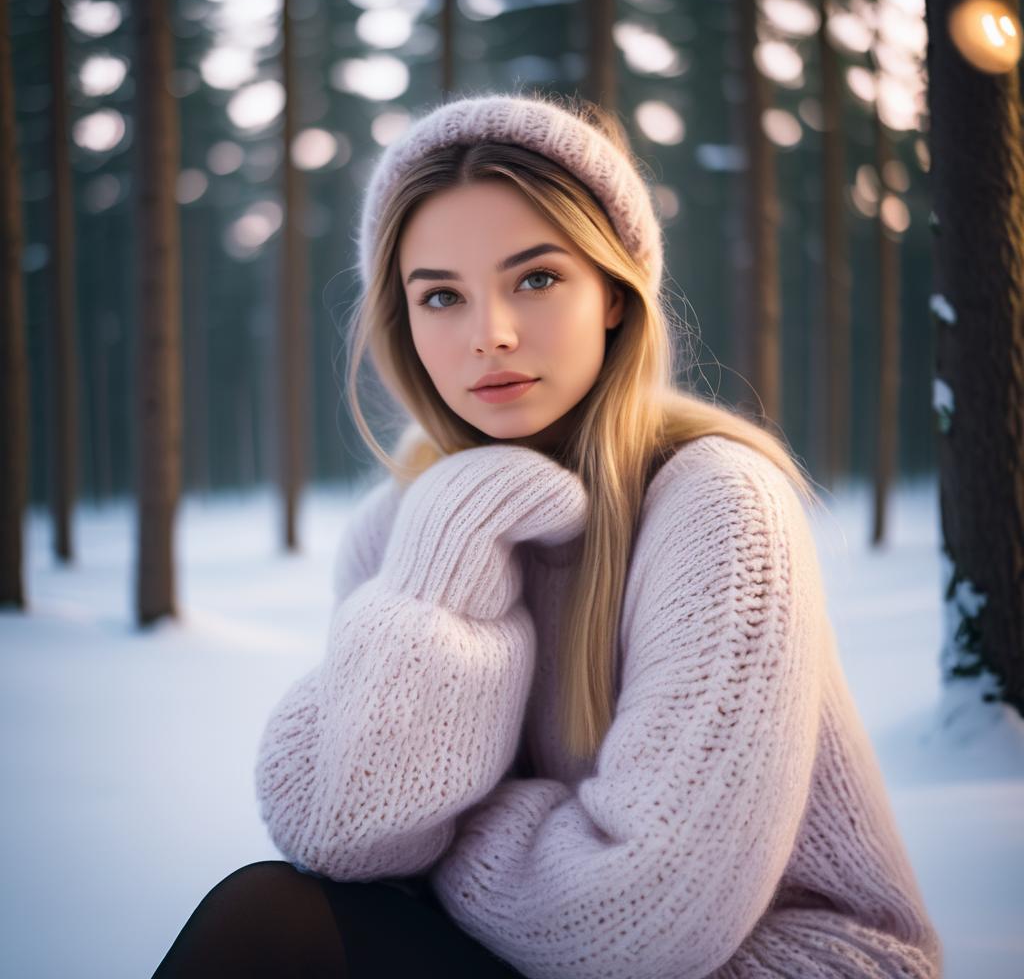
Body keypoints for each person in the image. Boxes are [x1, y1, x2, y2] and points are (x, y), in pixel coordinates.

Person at [152, 89, 943, 978]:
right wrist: (453, 549)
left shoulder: (720, 507)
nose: (488, 335)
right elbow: (341, 831)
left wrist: (450, 824)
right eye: (441, 296)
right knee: (271, 915)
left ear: (612, 291)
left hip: (775, 964)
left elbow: (645, 917)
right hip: (521, 953)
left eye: (536, 278)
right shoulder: (406, 528)